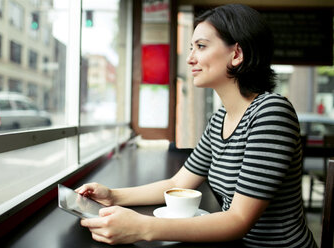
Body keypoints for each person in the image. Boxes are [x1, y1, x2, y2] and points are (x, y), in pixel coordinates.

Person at [76, 4, 317, 247]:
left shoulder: (271, 112)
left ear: (236, 54)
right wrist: (113, 195)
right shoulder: (219, 119)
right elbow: (177, 184)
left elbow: (238, 219)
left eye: (200, 46)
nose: (190, 58)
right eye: (191, 48)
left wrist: (141, 227)